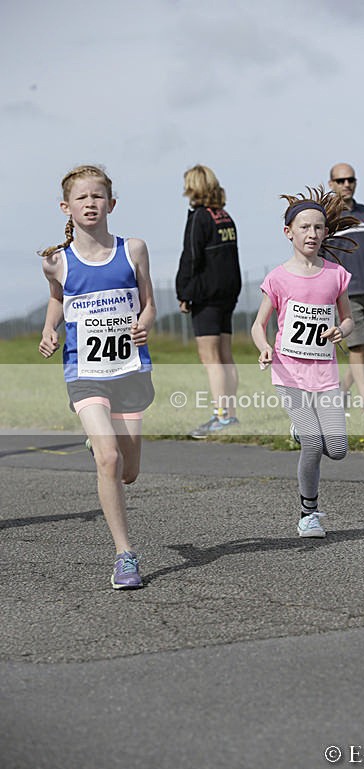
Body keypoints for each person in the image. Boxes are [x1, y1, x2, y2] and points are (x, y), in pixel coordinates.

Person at [38, 164, 156, 589]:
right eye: (82, 197)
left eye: (98, 196)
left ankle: (102, 440)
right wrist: (50, 329)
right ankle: (125, 555)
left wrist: (144, 323)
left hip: (128, 370)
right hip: (84, 372)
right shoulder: (56, 262)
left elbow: (149, 304)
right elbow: (58, 301)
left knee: (128, 470)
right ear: (66, 207)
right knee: (108, 459)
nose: (90, 203)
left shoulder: (134, 249)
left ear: (112, 204)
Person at [251, 187, 356, 538]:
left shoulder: (335, 275)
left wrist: (341, 330)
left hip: (325, 373)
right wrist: (264, 347)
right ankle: (308, 514)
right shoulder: (278, 278)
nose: (312, 234)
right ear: (289, 232)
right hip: (288, 372)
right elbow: (257, 325)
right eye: (305, 227)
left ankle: (300, 429)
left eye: (318, 228)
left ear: (326, 232)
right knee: (313, 443)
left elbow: (349, 318)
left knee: (338, 450)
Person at [175, 165, 242, 438]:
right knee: (225, 356)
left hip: (206, 297)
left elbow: (191, 257)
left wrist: (184, 292)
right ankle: (232, 413)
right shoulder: (224, 216)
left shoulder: (200, 218)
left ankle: (221, 416)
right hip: (228, 294)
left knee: (210, 358)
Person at [327, 162, 364, 413]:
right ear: (331, 184)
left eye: (350, 179)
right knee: (357, 346)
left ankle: (342, 389)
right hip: (347, 293)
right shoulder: (327, 216)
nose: (346, 184)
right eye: (340, 181)